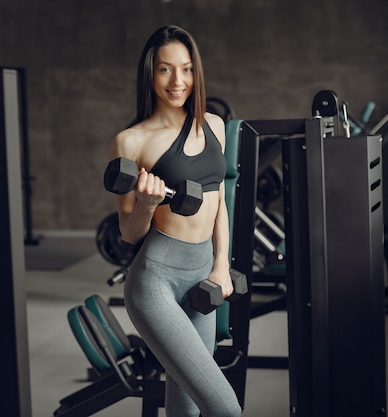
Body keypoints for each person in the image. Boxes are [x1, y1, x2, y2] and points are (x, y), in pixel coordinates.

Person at [107, 25, 242, 417]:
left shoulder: (214, 125)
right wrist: (147, 205)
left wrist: (221, 266)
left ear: (196, 73)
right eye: (165, 69)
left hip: (203, 278)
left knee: (186, 409)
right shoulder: (130, 141)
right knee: (225, 408)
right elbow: (128, 233)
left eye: (186, 69)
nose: (177, 80)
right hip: (156, 283)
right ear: (150, 74)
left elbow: (218, 204)